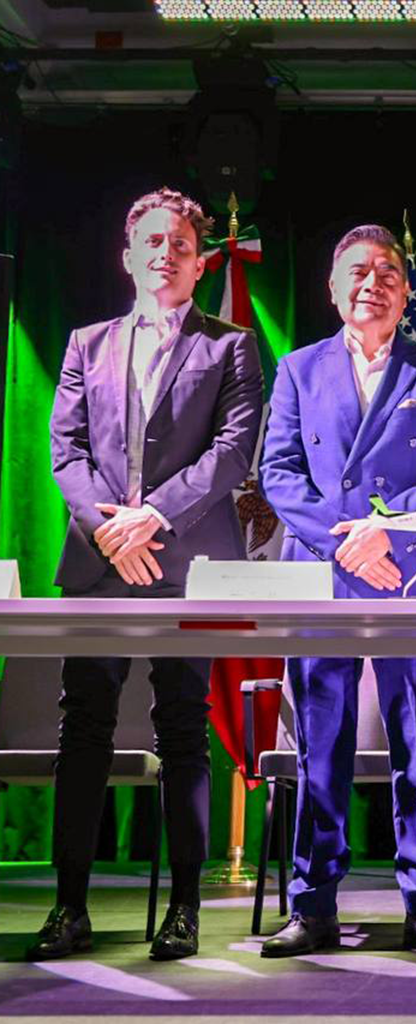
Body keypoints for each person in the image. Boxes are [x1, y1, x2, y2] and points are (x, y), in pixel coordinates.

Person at [32, 187, 264, 962]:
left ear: (200, 265)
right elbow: (66, 450)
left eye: (181, 245)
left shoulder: (231, 346)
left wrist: (153, 518)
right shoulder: (85, 343)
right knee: (83, 727)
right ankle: (69, 907)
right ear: (128, 256)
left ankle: (186, 910)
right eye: (153, 242)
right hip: (99, 563)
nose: (166, 254)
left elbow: (232, 451)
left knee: (184, 727)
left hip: (185, 563)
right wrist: (110, 530)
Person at [259, 224, 416, 958]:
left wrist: (387, 533)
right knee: (319, 749)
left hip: (410, 576)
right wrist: (345, 539)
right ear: (333, 287)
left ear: (405, 290)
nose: (372, 283)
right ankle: (312, 903)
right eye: (358, 271)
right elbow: (280, 472)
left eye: (388, 272)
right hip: (322, 577)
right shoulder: (298, 369)